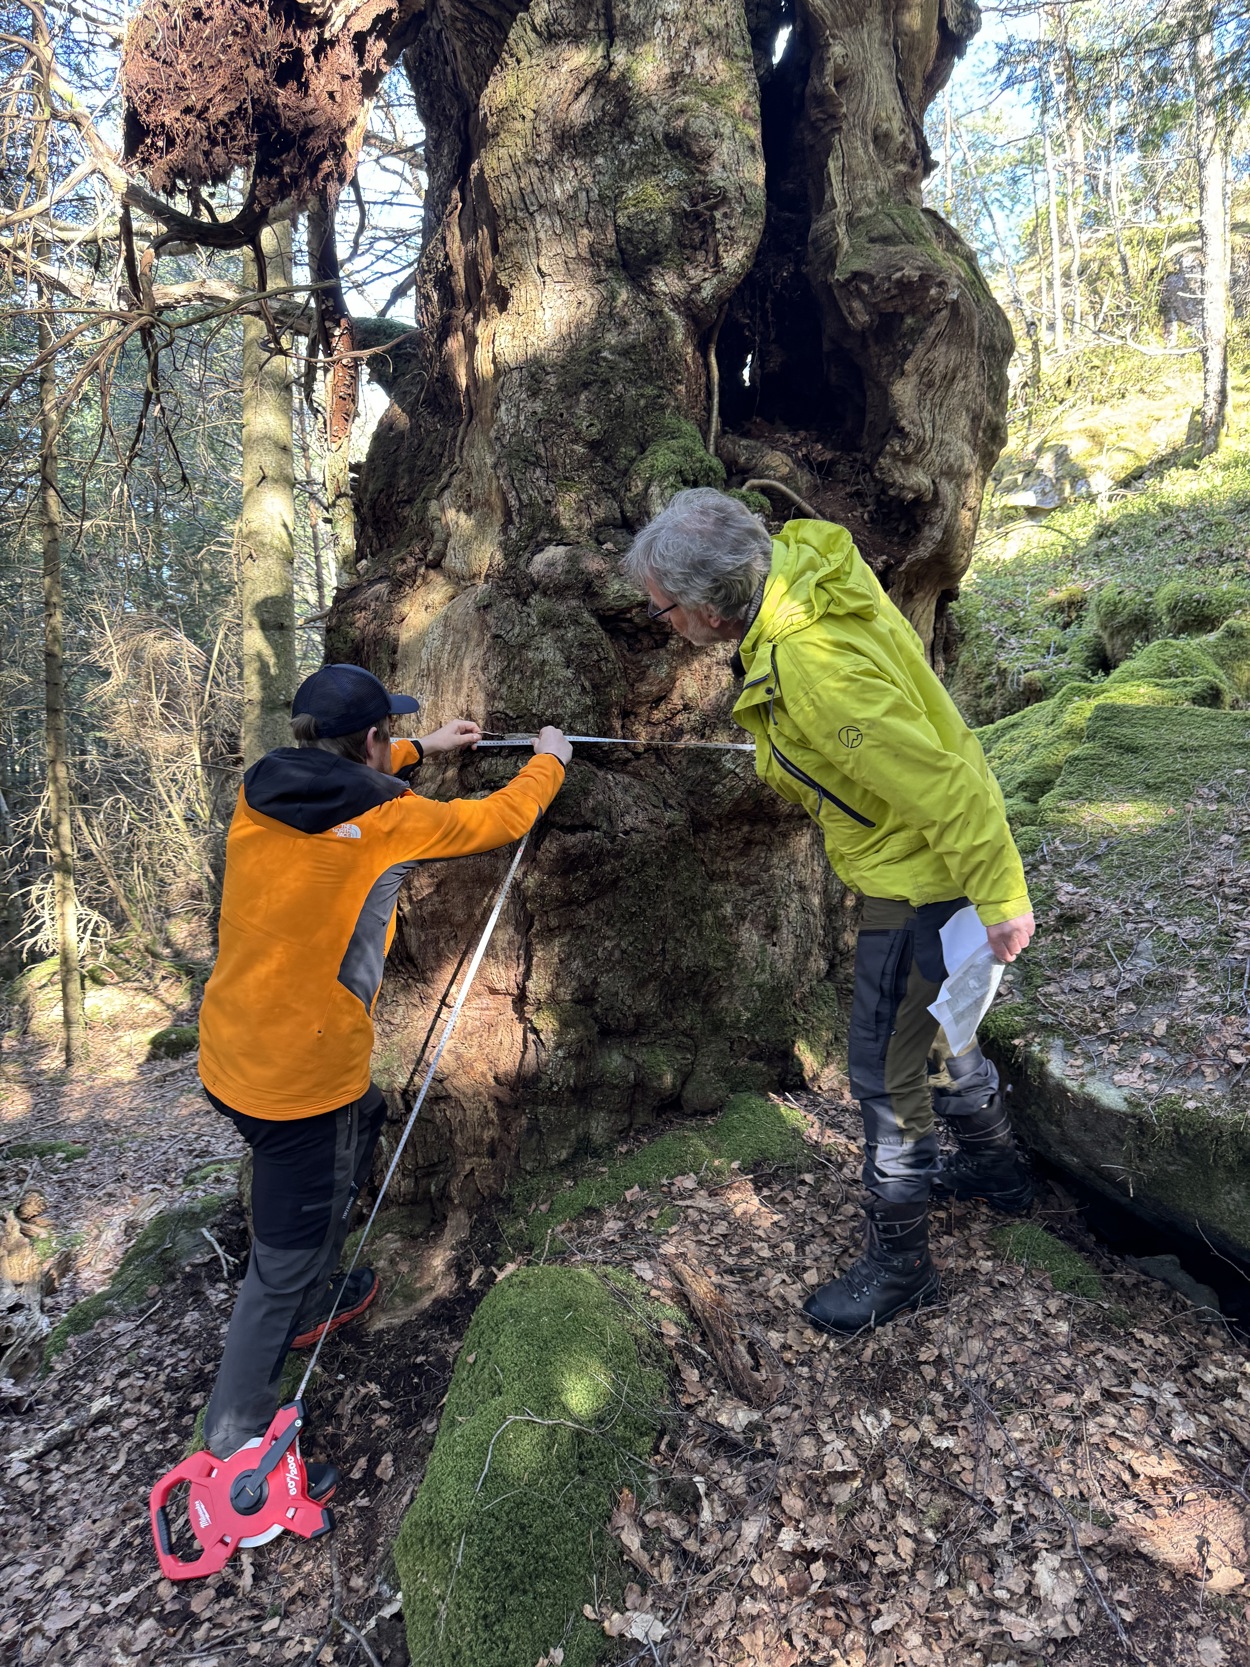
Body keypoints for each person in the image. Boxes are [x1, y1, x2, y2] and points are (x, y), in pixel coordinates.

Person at [623, 489, 1035, 1334]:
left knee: (884, 1072)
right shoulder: (805, 577)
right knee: (945, 1027)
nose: (662, 624)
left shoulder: (812, 667)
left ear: (706, 604)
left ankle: (902, 1266)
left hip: (920, 877)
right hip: (926, 861)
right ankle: (1000, 1179)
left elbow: (939, 782)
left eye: (662, 610)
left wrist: (1000, 895)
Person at [197, 662, 571, 1476]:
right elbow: (497, 818)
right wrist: (550, 757)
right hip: (300, 1079)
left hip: (231, 1050)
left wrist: (420, 747)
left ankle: (307, 1294)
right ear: (366, 740)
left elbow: (336, 783)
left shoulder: (263, 784)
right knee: (283, 1256)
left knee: (360, 1123)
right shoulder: (393, 817)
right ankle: (237, 1447)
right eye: (386, 735)